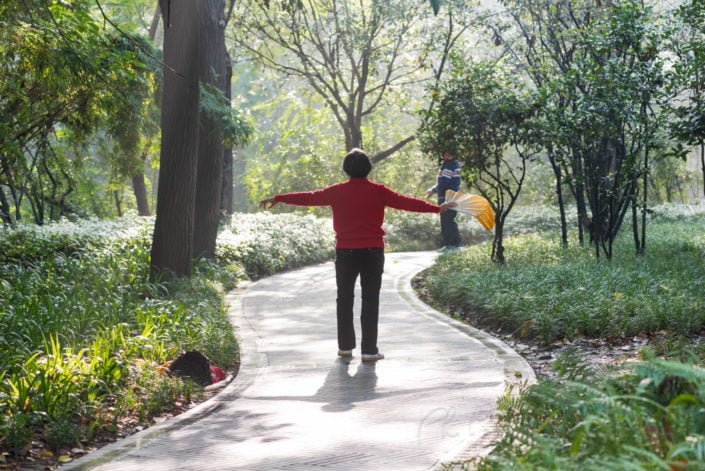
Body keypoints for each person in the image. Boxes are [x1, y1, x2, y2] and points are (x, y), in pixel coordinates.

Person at [260, 148, 454, 362]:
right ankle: (369, 350)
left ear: (346, 169)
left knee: (344, 298)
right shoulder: (378, 191)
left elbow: (308, 197)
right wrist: (437, 209)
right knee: (370, 299)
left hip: (345, 252)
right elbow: (405, 202)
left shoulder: (337, 191)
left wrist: (279, 198)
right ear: (368, 168)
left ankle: (345, 348)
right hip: (373, 251)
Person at [425, 150, 462, 251]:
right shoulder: (454, 164)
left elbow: (444, 182)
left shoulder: (449, 165)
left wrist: (433, 190)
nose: (446, 155)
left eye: (448, 153)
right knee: (449, 219)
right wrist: (434, 189)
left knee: (446, 220)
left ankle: (452, 245)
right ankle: (455, 244)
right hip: (451, 196)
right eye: (445, 154)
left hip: (447, 197)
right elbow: (443, 181)